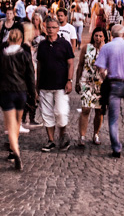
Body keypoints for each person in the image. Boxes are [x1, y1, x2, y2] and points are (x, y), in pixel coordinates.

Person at [95, 24, 124, 158]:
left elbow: (101, 70)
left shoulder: (106, 47)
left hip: (114, 84)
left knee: (113, 118)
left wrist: (107, 79)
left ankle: (116, 148)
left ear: (111, 34)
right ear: (123, 34)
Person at [0, 28, 36, 170]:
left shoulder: (1, 55)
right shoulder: (24, 54)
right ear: (20, 40)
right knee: (17, 122)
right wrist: (32, 94)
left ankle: (15, 151)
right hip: (21, 91)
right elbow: (30, 76)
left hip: (6, 92)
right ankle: (14, 148)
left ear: (8, 39)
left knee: (10, 125)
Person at [37, 17, 74, 152]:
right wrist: (37, 85)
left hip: (61, 85)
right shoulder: (42, 45)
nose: (50, 30)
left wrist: (69, 80)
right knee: (47, 114)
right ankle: (51, 140)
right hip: (45, 84)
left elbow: (71, 63)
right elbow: (39, 66)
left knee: (61, 112)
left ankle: (63, 134)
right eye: (48, 27)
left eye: (53, 27)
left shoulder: (65, 44)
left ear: (58, 29)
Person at [75, 28, 108, 147]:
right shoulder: (86, 48)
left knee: (99, 111)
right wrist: (77, 82)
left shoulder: (107, 49)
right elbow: (80, 65)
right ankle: (82, 136)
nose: (98, 38)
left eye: (100, 36)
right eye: (96, 35)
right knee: (85, 109)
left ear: (104, 37)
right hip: (87, 82)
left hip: (101, 83)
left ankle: (96, 134)